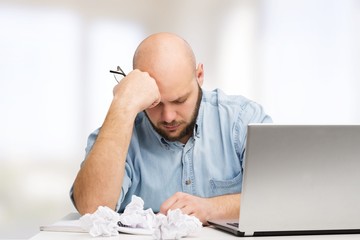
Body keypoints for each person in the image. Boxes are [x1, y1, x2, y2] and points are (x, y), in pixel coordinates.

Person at [70, 32, 271, 225]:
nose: (168, 116)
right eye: (155, 103)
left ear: (199, 75)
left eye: (179, 100)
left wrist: (212, 208)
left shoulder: (243, 119)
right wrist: (123, 104)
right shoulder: (120, 127)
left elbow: (280, 194)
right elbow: (92, 208)